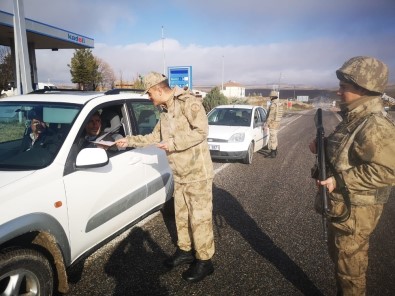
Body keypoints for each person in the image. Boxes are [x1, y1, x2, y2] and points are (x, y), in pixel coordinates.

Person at [115, 72, 215, 283]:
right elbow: (154, 137)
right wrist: (129, 140)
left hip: (197, 173)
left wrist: (174, 144)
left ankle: (205, 261)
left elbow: (201, 131)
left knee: (200, 218)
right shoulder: (165, 112)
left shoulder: (189, 103)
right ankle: (185, 250)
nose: (149, 98)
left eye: (150, 93)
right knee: (181, 216)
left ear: (159, 90)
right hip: (179, 173)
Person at [309, 56, 395, 295]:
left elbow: (388, 170)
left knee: (350, 273)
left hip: (355, 213)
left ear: (363, 89)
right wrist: (323, 146)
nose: (338, 92)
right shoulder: (354, 119)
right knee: (342, 265)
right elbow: (346, 152)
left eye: (344, 88)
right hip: (344, 210)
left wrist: (339, 181)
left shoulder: (374, 125)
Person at [266, 90, 283, 158]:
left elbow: (271, 115)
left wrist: (266, 124)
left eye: (270, 97)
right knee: (275, 137)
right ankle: (275, 150)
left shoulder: (273, 105)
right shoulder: (280, 104)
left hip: (273, 123)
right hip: (278, 123)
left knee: (272, 137)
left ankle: (273, 152)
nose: (270, 98)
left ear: (272, 97)